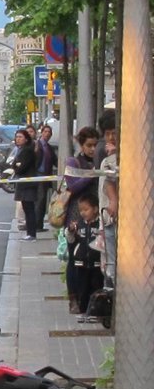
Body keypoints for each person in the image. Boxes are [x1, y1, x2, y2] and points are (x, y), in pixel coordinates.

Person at [62, 126, 99, 313]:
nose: (93, 149)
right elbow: (72, 186)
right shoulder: (74, 161)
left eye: (95, 145)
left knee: (94, 257)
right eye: (89, 145)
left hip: (96, 216)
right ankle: (73, 298)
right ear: (81, 145)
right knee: (74, 257)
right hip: (76, 216)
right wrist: (91, 174)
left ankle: (91, 298)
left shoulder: (100, 161)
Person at [67, 193, 104, 323]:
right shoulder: (79, 225)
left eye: (86, 209)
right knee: (82, 288)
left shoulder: (99, 225)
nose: (82, 213)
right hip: (81, 263)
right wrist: (70, 231)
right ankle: (83, 311)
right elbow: (71, 240)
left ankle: (95, 312)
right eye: (80, 210)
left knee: (96, 287)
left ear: (95, 209)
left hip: (96, 263)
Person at [97, 114, 118, 285]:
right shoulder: (105, 159)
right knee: (109, 264)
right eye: (107, 133)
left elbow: (111, 181)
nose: (110, 137)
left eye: (114, 132)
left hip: (115, 219)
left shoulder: (121, 158)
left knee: (113, 266)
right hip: (107, 219)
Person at [10, 128, 39, 240]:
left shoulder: (27, 151)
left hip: (28, 184)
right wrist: (16, 166)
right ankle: (30, 232)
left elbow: (21, 167)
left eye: (20, 137)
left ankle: (31, 233)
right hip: (23, 183)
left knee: (29, 209)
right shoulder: (20, 150)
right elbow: (14, 164)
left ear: (26, 139)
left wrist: (17, 167)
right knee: (26, 208)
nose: (18, 139)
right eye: (17, 137)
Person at [34, 123, 57, 230]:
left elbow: (55, 160)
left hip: (46, 177)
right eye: (45, 132)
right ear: (42, 133)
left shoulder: (49, 148)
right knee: (40, 201)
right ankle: (37, 225)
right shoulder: (36, 145)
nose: (47, 134)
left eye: (49, 132)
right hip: (37, 176)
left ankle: (39, 224)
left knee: (43, 202)